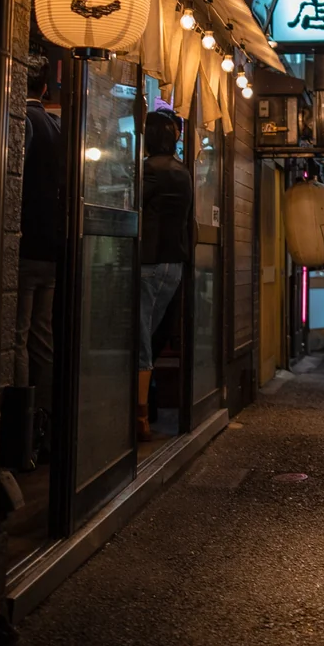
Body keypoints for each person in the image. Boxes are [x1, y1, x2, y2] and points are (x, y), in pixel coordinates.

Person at [139, 110, 192, 441]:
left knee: (139, 336)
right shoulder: (182, 171)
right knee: (150, 334)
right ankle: (147, 403)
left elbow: (132, 203)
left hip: (150, 261)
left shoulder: (150, 169)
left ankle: (140, 414)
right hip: (175, 263)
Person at [15, 54, 62, 422]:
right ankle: (44, 417)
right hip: (51, 247)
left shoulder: (22, 122)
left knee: (16, 335)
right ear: (45, 89)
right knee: (42, 337)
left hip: (25, 243)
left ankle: (20, 424)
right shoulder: (56, 126)